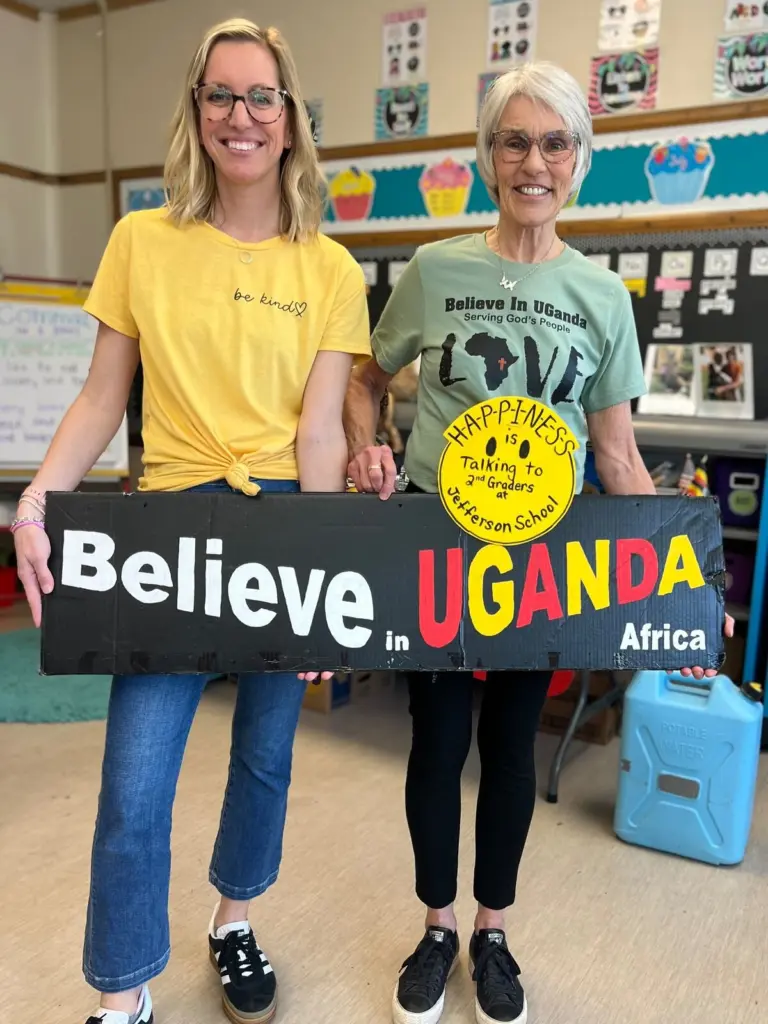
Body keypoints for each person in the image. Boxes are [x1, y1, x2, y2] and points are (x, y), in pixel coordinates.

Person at [343, 61, 734, 1024]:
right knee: (435, 744)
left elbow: (618, 455)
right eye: (514, 141)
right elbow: (365, 378)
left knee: (512, 746)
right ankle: (437, 928)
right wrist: (369, 445)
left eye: (554, 143)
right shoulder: (436, 270)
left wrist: (687, 586)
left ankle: (493, 931)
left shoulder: (602, 296)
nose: (534, 162)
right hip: (436, 541)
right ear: (487, 157)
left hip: (541, 558)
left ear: (578, 163)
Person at [12, 18, 370, 1024]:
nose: (241, 116)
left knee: (264, 755)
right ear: (197, 111)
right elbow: (98, 399)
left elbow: (319, 439)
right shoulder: (142, 241)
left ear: (292, 120)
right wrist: (41, 493)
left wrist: (327, 579)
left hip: (282, 529)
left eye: (262, 97)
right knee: (135, 779)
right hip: (165, 532)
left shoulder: (331, 271)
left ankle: (233, 919)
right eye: (221, 95)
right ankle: (125, 991)